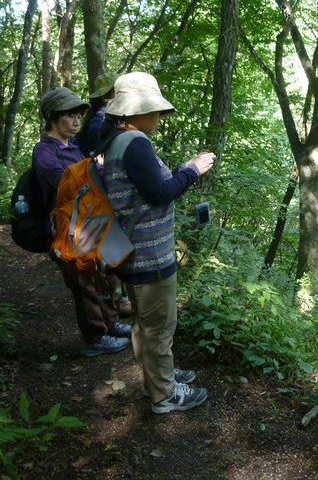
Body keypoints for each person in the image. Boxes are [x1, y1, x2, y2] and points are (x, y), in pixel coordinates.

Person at [100, 72, 215, 413]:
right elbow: (158, 193)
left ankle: (157, 376)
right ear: (135, 111)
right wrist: (192, 170)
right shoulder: (135, 143)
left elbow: (147, 187)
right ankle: (164, 395)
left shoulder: (116, 139)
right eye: (155, 110)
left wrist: (180, 170)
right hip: (149, 254)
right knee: (161, 325)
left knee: (144, 322)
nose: (159, 117)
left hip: (130, 249)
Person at [33, 86, 132, 357]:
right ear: (53, 117)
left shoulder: (74, 148)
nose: (77, 121)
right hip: (66, 229)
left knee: (102, 274)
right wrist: (90, 168)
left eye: (78, 115)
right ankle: (94, 336)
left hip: (88, 224)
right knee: (82, 282)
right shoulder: (44, 151)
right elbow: (62, 180)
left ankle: (110, 324)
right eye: (70, 115)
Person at [74, 72, 134, 317]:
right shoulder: (100, 122)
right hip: (99, 191)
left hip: (92, 191)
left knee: (105, 246)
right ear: (112, 96)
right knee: (109, 246)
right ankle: (116, 301)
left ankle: (113, 301)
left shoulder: (94, 120)